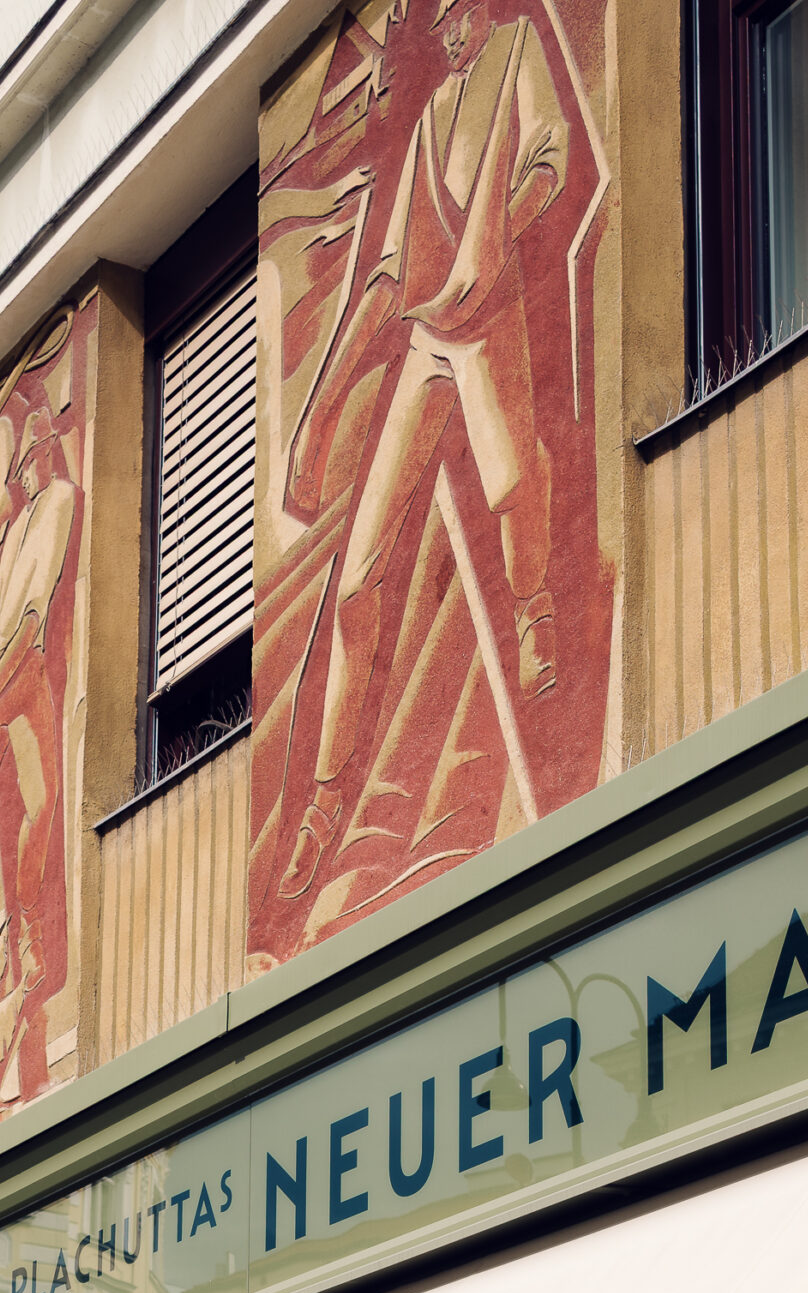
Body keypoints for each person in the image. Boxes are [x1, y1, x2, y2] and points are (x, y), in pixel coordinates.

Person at [279, 0, 570, 901]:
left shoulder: (521, 48)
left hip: (488, 323)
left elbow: (550, 157)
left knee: (515, 478)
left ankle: (535, 613)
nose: (443, 30)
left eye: (452, 13)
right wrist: (320, 413)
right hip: (423, 341)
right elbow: (386, 274)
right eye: (433, 20)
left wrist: (504, 235)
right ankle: (326, 801)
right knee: (360, 575)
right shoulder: (429, 124)